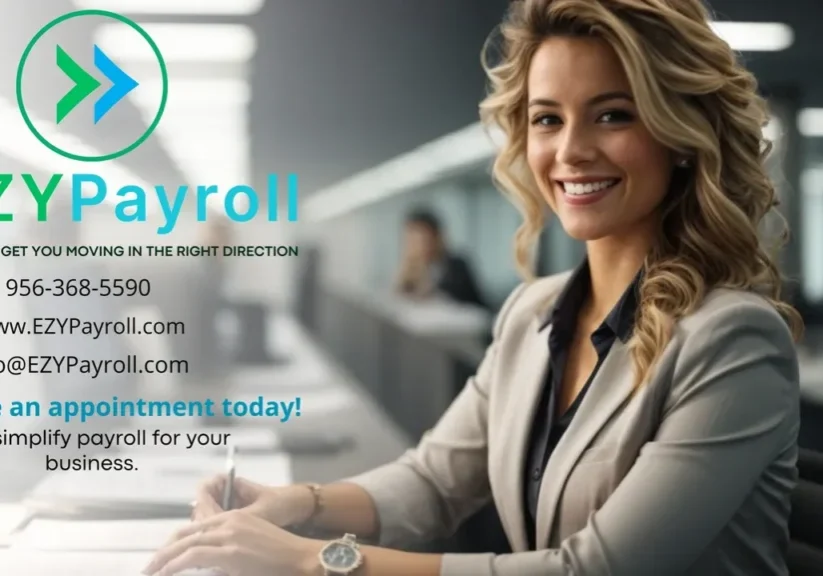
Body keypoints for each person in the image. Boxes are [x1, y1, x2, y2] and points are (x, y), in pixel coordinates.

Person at [144, 0, 804, 575]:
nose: (569, 150)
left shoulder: (732, 340)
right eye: (546, 119)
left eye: (611, 115)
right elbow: (433, 482)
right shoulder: (531, 315)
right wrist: (297, 502)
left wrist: (313, 560)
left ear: (680, 137)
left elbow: (594, 569)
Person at [394, 208, 486, 308]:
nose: (417, 246)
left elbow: (470, 305)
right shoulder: (410, 269)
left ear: (437, 237)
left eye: (422, 239)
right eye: (411, 240)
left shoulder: (456, 266)